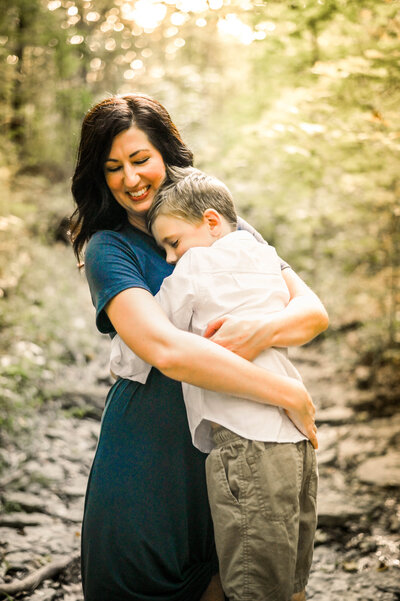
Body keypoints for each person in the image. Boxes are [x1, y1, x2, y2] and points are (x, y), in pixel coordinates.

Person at [69, 93, 329, 601]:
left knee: (244, 580)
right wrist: (286, 393)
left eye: (140, 159)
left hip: (234, 445)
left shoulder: (216, 220)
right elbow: (165, 349)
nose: (129, 178)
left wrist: (261, 332)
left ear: (166, 155)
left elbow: (312, 313)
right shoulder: (109, 247)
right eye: (113, 167)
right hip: (149, 455)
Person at [109, 166, 320, 601]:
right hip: (295, 438)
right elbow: (309, 313)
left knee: (250, 583)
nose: (170, 257)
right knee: (291, 579)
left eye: (173, 243)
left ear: (210, 222)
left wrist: (120, 358)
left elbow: (146, 345)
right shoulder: (265, 256)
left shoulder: (195, 266)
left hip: (244, 442)